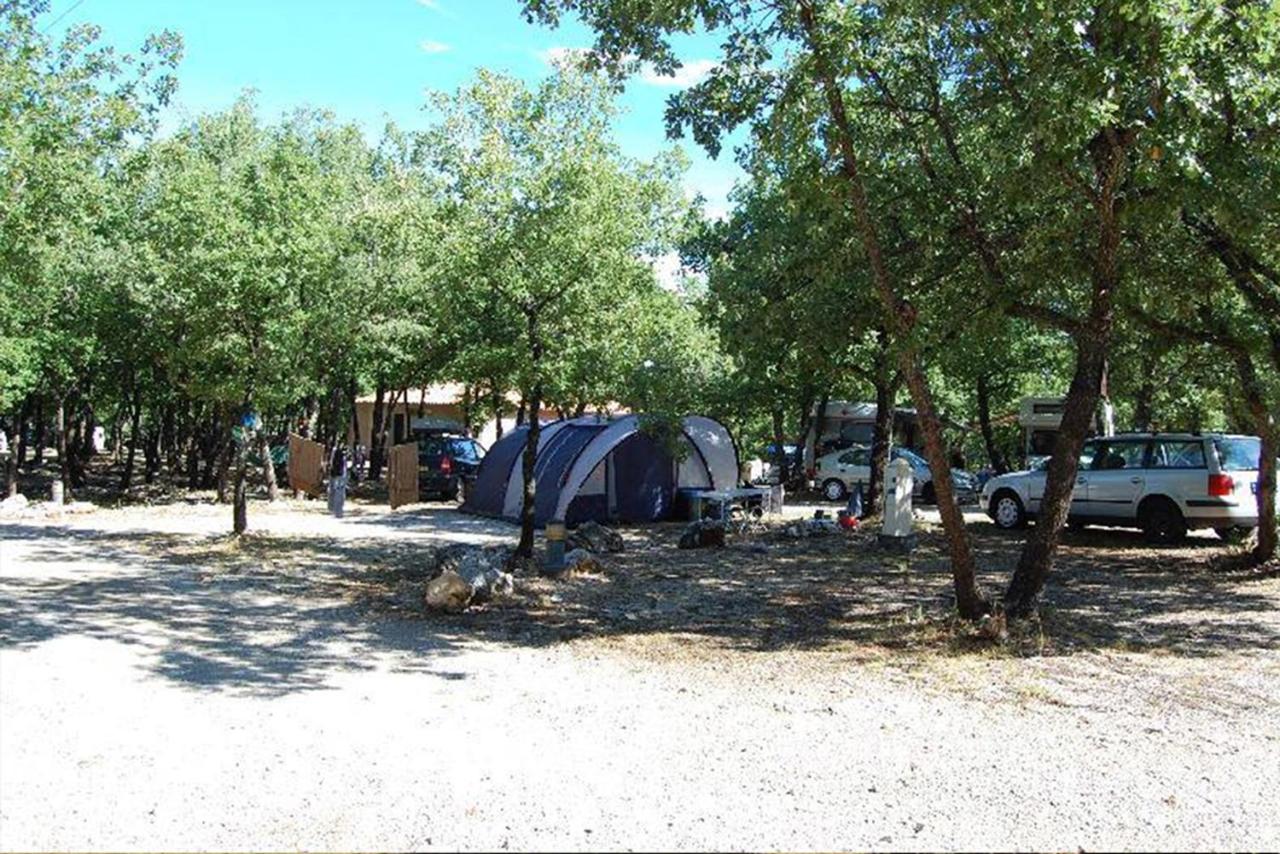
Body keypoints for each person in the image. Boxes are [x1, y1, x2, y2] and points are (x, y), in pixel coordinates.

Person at [327, 445, 348, 518]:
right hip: (339, 474)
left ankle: (333, 509)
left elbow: (331, 463)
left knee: (334, 491)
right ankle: (338, 511)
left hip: (335, 473)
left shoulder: (334, 451)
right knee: (339, 492)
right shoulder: (340, 453)